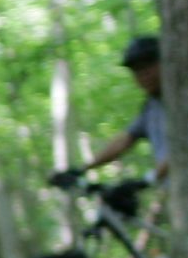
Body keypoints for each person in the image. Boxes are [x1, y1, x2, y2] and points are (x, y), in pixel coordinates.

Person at [53, 35, 166, 197]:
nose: (144, 75)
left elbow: (185, 150)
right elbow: (124, 140)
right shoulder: (151, 108)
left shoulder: (182, 101)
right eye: (137, 71)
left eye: (148, 65)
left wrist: (148, 179)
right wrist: (82, 169)